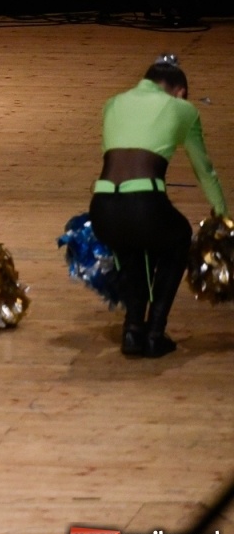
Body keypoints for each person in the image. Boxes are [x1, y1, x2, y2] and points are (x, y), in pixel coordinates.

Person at [89, 55, 227, 358]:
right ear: (179, 92)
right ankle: (155, 332)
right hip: (143, 206)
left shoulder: (113, 103)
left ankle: (132, 329)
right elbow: (204, 170)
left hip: (101, 207)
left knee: (133, 248)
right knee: (178, 238)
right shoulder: (182, 109)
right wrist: (223, 217)